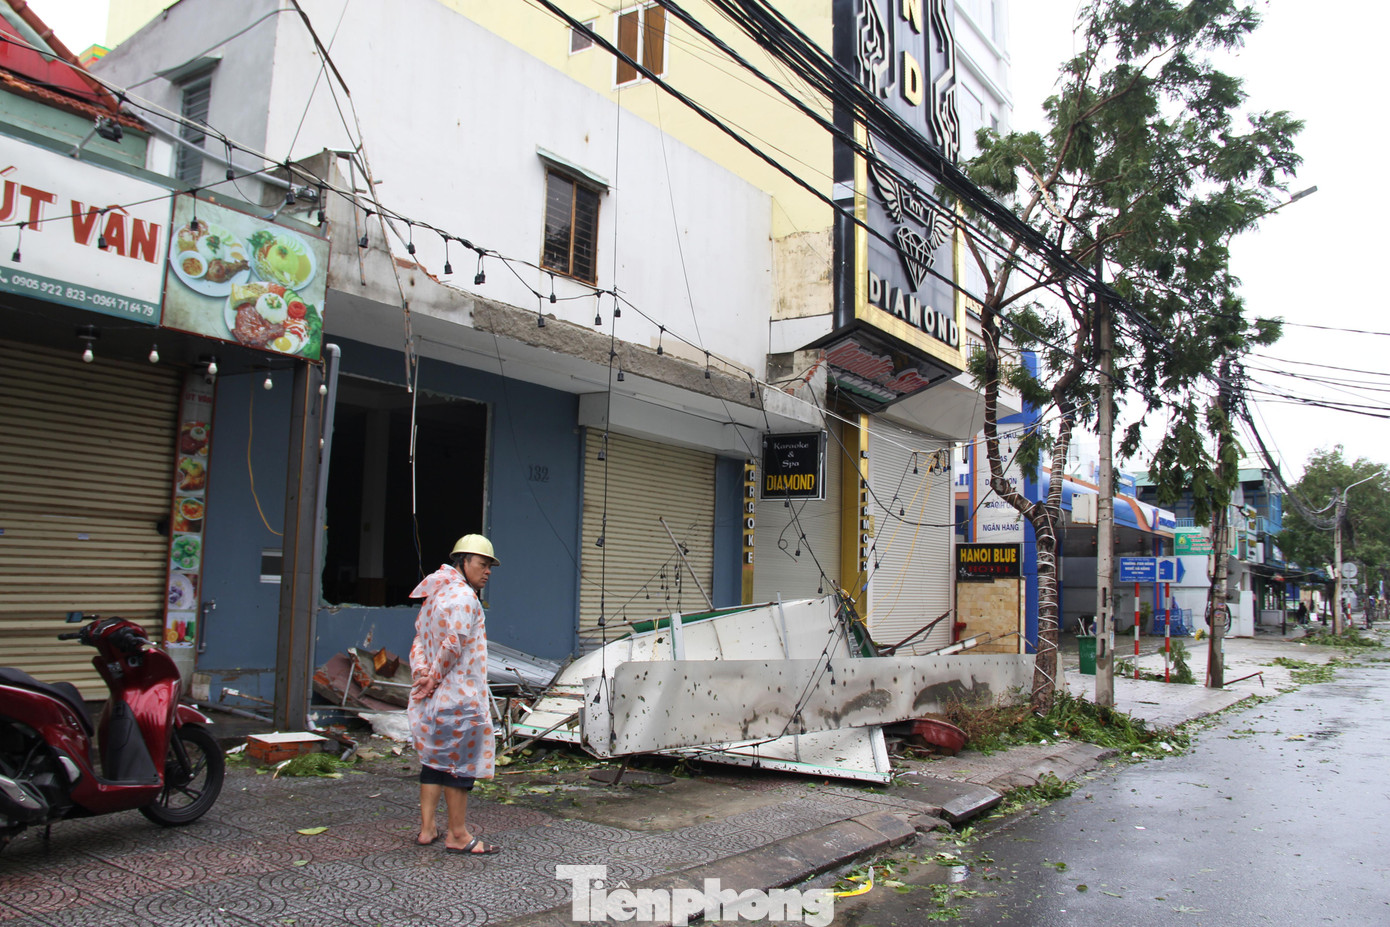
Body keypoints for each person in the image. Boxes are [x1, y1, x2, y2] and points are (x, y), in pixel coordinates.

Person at [407, 533, 500, 854]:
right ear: (462, 561)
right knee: (459, 766)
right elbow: (454, 642)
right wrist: (432, 678)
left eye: (490, 567)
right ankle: (457, 835)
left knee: (434, 761)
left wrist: (421, 675)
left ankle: (427, 829)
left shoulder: (437, 592)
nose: (487, 572)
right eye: (482, 564)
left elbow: (419, 639)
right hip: (459, 699)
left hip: (435, 701)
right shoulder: (464, 597)